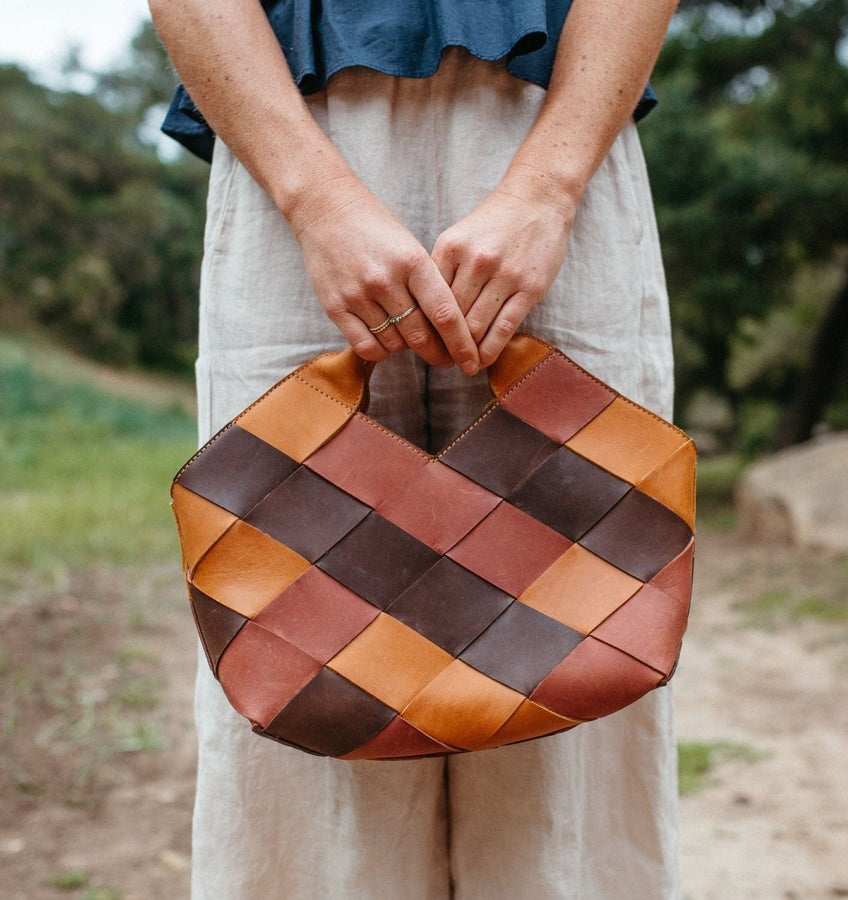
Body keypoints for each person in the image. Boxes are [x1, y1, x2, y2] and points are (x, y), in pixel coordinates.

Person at [149, 1, 681, 896]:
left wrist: (548, 190)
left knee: (572, 674)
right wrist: (314, 200)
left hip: (560, 121)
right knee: (310, 682)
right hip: (291, 124)